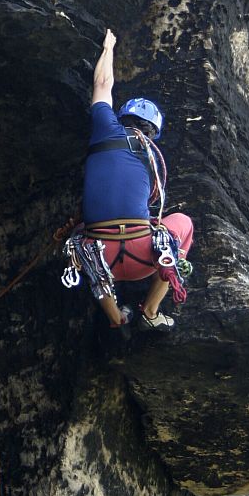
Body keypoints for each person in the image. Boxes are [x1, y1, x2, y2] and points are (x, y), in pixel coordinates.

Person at [78, 28, 194, 329]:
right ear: (153, 131)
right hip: (143, 258)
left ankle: (116, 317)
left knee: (81, 239)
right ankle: (150, 312)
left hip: (102, 259)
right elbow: (149, 204)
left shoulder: (105, 127)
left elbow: (103, 83)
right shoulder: (155, 158)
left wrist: (109, 47)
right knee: (183, 223)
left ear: (121, 117)